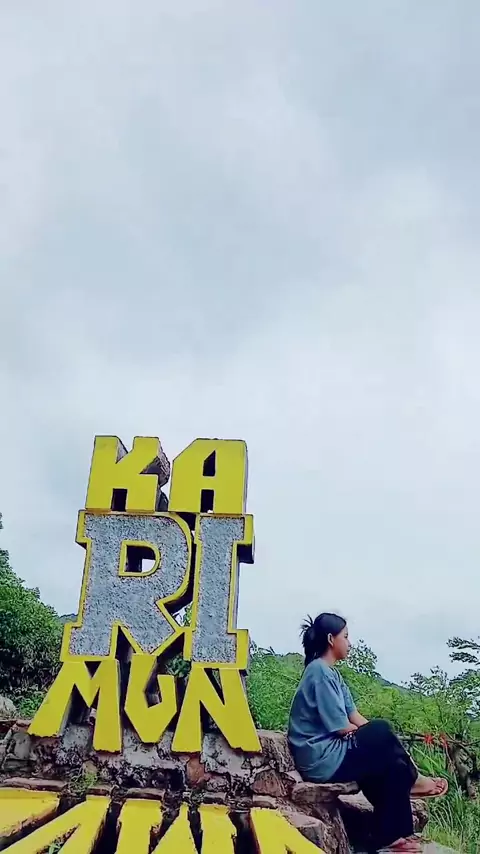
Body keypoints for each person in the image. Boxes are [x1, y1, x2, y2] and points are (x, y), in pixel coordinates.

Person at [288, 613, 448, 853]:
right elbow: (341, 727)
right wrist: (375, 736)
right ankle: (413, 781)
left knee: (390, 760)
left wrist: (379, 741)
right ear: (331, 639)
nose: (349, 643)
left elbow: (355, 717)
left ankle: (394, 836)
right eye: (346, 636)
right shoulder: (318, 671)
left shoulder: (333, 674)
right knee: (380, 732)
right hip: (321, 759)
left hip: (335, 752)